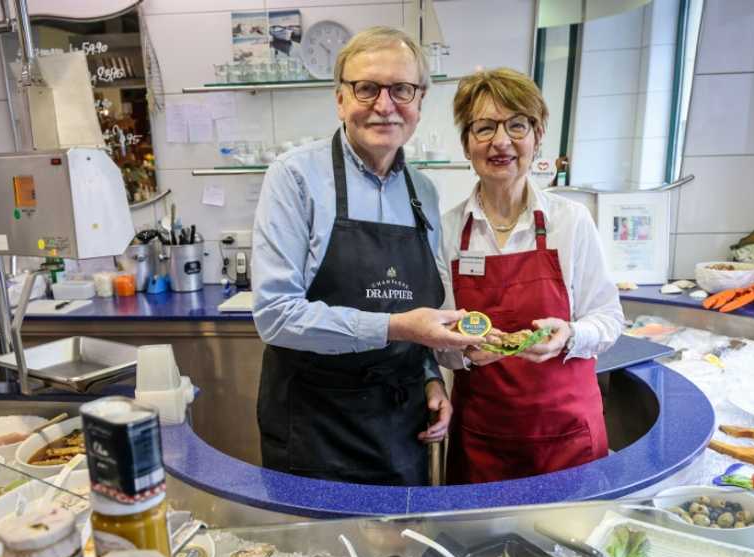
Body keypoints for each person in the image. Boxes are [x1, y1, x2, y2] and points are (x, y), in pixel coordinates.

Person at [252, 27, 476, 485]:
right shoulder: (294, 178)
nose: (384, 104)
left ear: (419, 102)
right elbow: (274, 316)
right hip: (315, 427)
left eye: (402, 89)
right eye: (366, 88)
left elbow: (424, 313)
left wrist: (431, 375)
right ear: (340, 99)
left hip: (400, 429)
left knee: (399, 550)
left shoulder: (424, 193)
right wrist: (396, 326)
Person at [440, 68, 624, 484]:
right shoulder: (448, 230)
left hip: (567, 434)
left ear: (537, 135)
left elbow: (610, 319)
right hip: (481, 439)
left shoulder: (571, 221)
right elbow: (437, 340)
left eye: (516, 125)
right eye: (484, 127)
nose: (501, 141)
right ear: (467, 144)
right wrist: (464, 351)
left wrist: (570, 335)